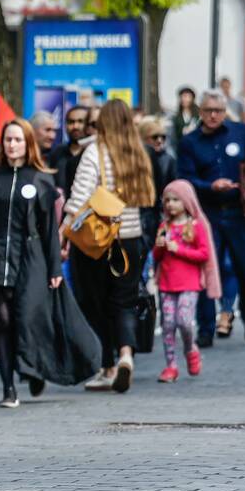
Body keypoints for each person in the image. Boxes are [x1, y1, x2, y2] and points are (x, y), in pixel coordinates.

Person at [0, 119, 100, 407]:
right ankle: (8, 388)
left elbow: (49, 230)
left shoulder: (40, 180)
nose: (12, 145)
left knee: (27, 317)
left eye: (17, 140)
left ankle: (32, 367)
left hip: (32, 258)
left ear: (27, 143)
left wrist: (55, 268)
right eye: (8, 140)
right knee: (2, 321)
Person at [63, 99, 156, 393]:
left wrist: (63, 232)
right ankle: (127, 354)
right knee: (124, 301)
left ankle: (108, 366)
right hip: (130, 237)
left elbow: (80, 197)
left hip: (99, 240)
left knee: (96, 303)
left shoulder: (95, 152)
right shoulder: (136, 154)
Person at [177, 90, 245, 346]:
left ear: (225, 112)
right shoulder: (190, 142)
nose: (214, 116)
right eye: (209, 110)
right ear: (200, 112)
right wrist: (209, 186)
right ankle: (206, 328)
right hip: (207, 214)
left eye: (218, 111)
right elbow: (185, 178)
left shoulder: (240, 133)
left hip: (239, 214)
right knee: (205, 273)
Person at [153, 180, 220, 383]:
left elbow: (204, 254)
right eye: (167, 200)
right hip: (166, 283)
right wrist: (160, 246)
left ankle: (191, 349)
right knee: (168, 324)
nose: (171, 204)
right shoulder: (164, 226)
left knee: (184, 321)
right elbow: (156, 256)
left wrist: (179, 250)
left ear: (187, 201)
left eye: (176, 200)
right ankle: (171, 366)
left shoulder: (197, 226)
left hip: (189, 283)